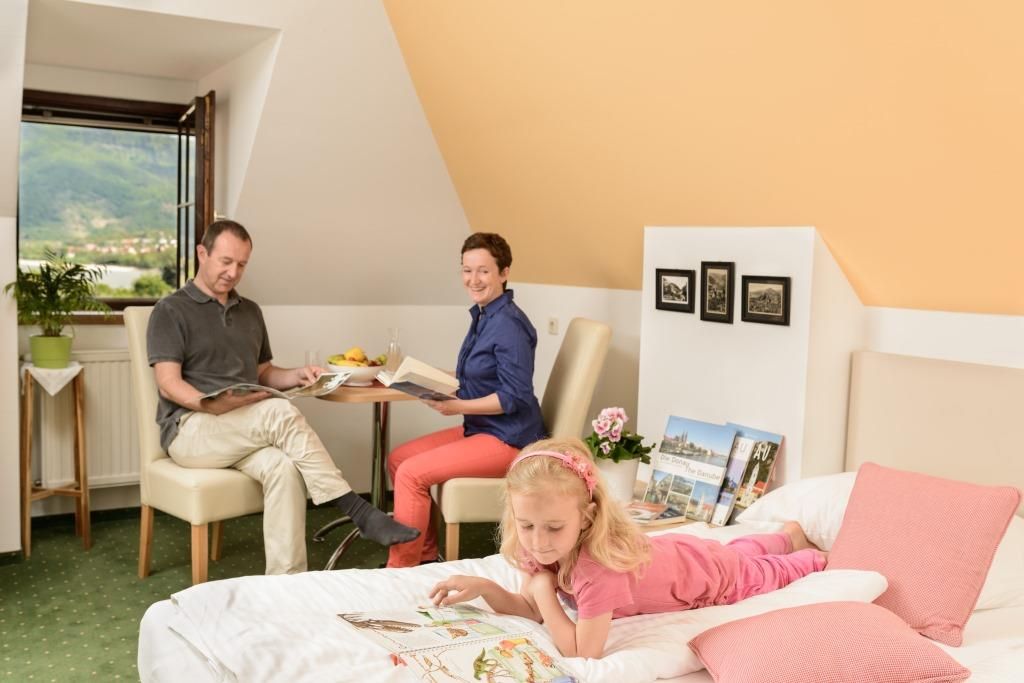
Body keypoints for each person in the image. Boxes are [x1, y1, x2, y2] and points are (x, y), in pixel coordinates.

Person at [147, 219, 418, 575]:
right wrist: (208, 403)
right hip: (192, 431)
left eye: (242, 265)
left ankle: (286, 583)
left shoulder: (250, 312)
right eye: (226, 261)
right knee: (276, 410)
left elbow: (262, 373)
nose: (233, 272)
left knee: (285, 467)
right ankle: (358, 510)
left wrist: (296, 376)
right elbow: (168, 383)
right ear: (202, 253)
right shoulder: (171, 310)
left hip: (242, 428)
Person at [428, 438, 827, 659]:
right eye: (526, 524)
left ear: (586, 518)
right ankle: (785, 534)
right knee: (737, 549)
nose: (537, 540)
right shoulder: (543, 545)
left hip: (705, 577)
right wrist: (484, 587)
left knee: (759, 570)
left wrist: (542, 590)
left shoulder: (596, 569)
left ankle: (811, 553)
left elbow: (583, 651)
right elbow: (531, 607)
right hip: (680, 552)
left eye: (553, 527)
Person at [386, 232, 546, 568]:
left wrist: (457, 406)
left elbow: (513, 397)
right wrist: (427, 379)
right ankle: (424, 558)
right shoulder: (484, 315)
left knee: (413, 474)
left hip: (510, 437)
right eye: (467, 270)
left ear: (504, 273)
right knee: (400, 460)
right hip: (482, 427)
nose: (473, 280)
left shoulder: (509, 325)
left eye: (483, 271)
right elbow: (480, 376)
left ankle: (400, 570)